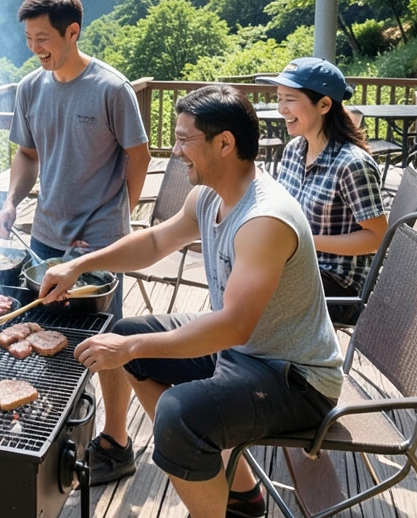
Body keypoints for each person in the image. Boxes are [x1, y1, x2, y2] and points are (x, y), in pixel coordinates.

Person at [39, 84, 343, 518]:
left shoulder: (263, 220)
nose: (176, 151)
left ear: (225, 143)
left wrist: (130, 349)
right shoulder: (208, 195)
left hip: (294, 378)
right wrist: (78, 265)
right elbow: (154, 242)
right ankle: (241, 498)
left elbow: (234, 325)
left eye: (185, 140)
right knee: (125, 334)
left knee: (178, 415)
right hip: (243, 353)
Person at [0, 0, 151, 485]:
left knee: (106, 341)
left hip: (98, 242)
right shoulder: (30, 88)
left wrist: (117, 214)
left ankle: (118, 442)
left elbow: (138, 155)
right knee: (45, 336)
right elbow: (28, 154)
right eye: (29, 38)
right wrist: (12, 200)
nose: (35, 47)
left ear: (72, 32)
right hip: (44, 235)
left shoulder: (111, 88)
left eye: (43, 37)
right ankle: (62, 431)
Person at [257, 58, 386, 323]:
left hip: (339, 285)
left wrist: (305, 241)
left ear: (324, 104)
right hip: (300, 265)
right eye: (279, 99)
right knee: (234, 268)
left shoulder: (352, 164)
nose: (281, 109)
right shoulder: (294, 150)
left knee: (251, 296)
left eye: (290, 99)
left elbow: (376, 239)